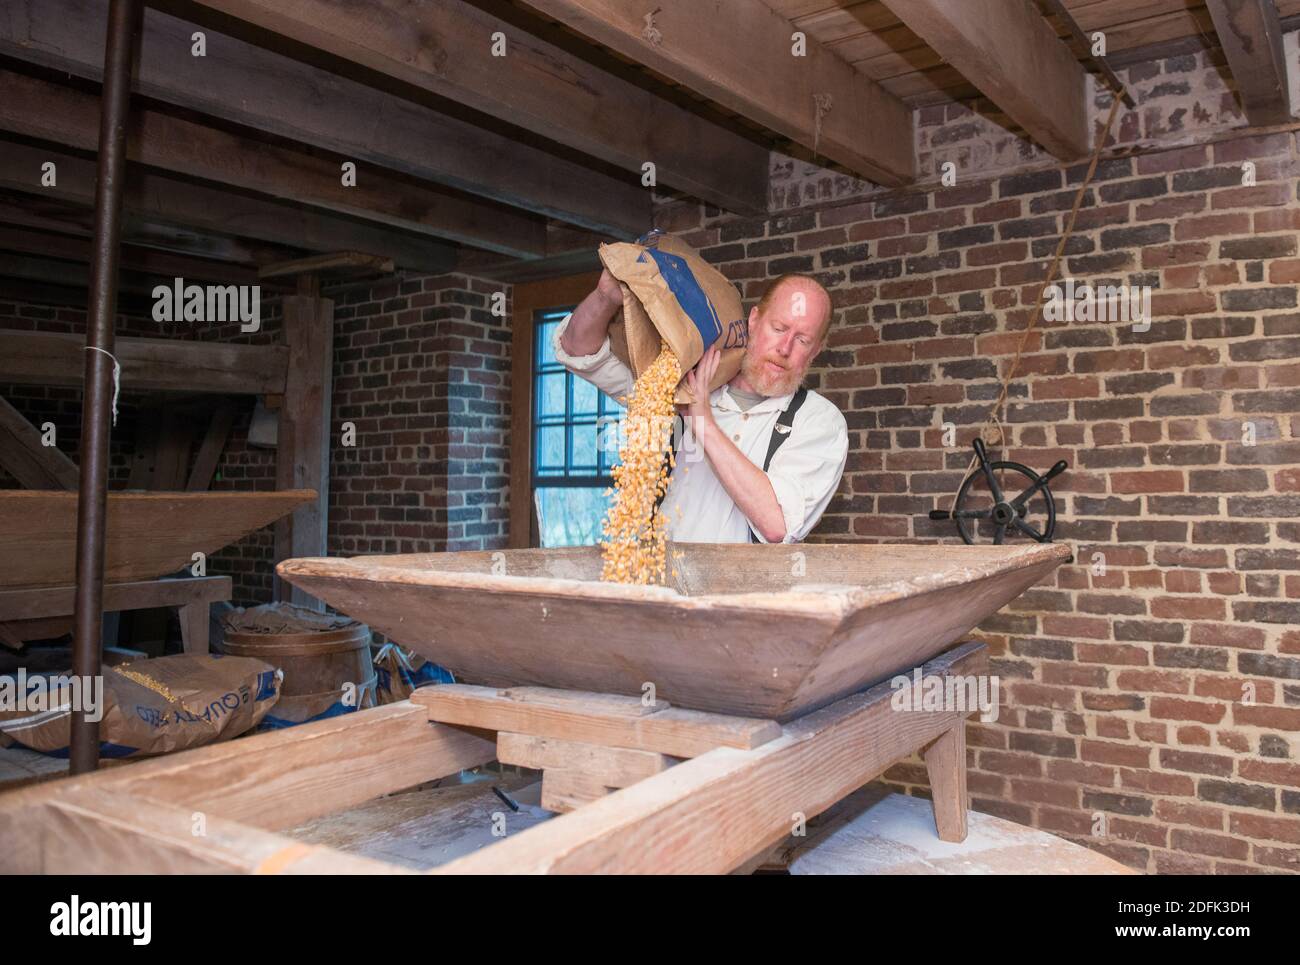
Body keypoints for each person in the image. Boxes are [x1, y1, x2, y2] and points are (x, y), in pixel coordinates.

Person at [554, 270, 849, 544]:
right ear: (755, 320)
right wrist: (605, 297)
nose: (784, 348)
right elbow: (578, 351)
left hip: (742, 599)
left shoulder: (819, 421)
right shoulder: (677, 383)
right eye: (779, 328)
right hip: (658, 589)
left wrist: (702, 420)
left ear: (817, 349)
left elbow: (777, 523)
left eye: (802, 339)